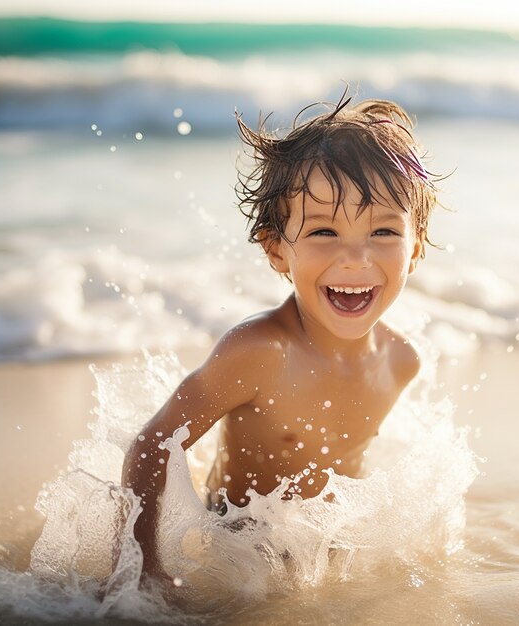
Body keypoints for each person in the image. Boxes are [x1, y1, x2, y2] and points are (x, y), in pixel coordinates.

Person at [122, 94, 437, 578]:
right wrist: (141, 568)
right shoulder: (258, 353)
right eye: (324, 233)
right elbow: (154, 446)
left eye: (384, 232)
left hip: (322, 557)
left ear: (415, 249)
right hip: (235, 556)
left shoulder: (401, 361)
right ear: (276, 251)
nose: (356, 257)